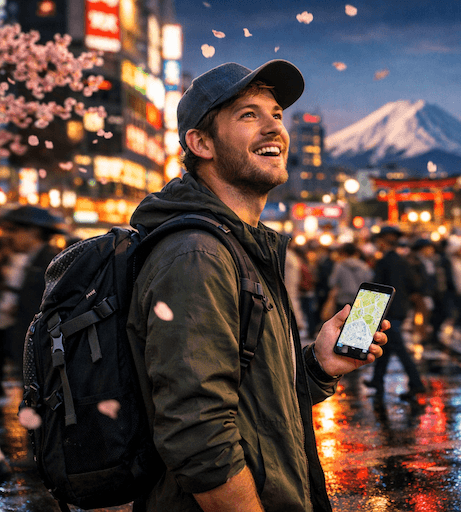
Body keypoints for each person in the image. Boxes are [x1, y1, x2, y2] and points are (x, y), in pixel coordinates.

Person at [125, 60, 388, 512]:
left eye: (277, 115)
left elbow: (253, 404)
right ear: (201, 143)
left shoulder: (241, 246)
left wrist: (318, 367)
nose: (274, 128)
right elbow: (196, 434)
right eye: (249, 115)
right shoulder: (197, 254)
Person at [0, 205, 67, 382]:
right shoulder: (29, 260)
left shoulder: (48, 263)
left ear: (33, 232)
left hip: (39, 357)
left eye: (13, 230)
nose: (9, 236)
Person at [364, 226, 426, 400]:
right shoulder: (403, 261)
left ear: (383, 241)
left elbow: (377, 289)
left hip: (388, 312)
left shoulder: (384, 262)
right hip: (401, 310)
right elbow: (415, 283)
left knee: (399, 349)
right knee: (387, 346)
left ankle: (417, 383)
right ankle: (377, 379)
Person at [324, 242, 373, 314]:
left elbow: (332, 282)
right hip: (360, 300)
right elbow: (370, 280)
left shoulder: (339, 265)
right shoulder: (364, 266)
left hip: (342, 300)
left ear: (344, 252)